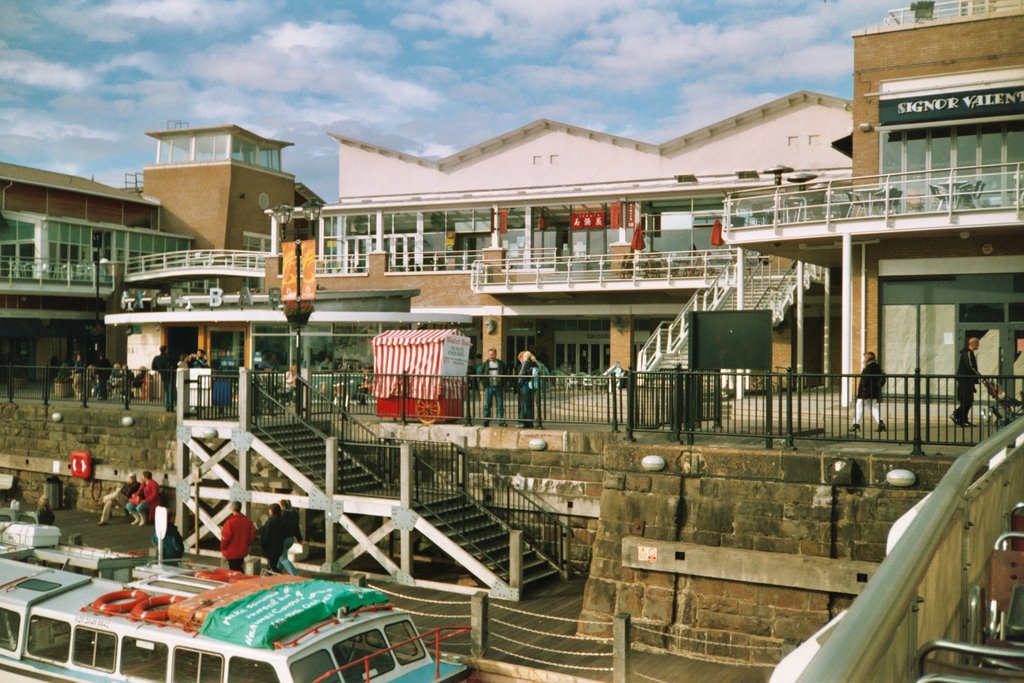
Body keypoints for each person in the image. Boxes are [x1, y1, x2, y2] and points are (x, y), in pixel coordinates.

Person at [851, 351, 886, 433]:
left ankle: (856, 424)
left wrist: (862, 390)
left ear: (869, 358)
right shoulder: (877, 366)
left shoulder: (869, 367)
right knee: (873, 407)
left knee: (859, 405)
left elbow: (865, 380)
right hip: (873, 391)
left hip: (866, 391)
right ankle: (881, 422)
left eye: (865, 357)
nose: (863, 359)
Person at [952, 337, 981, 427]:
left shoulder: (969, 352)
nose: (979, 346)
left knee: (968, 401)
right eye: (978, 344)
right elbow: (970, 366)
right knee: (967, 401)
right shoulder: (967, 352)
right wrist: (978, 375)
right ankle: (956, 414)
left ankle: (964, 420)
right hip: (965, 380)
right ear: (974, 344)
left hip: (968, 380)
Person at [221, 501, 256, 572]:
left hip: (231, 552)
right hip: (242, 551)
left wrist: (223, 548)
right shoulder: (248, 521)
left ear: (232, 509)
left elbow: (225, 538)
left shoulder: (229, 522)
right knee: (239, 567)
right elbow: (252, 537)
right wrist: (247, 545)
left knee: (233, 570)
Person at [478, 348, 507, 427]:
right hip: (488, 386)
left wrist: (503, 384)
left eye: (492, 354)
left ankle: (501, 420)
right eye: (490, 354)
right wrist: (484, 383)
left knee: (500, 405)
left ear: (496, 354)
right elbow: (480, 375)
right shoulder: (485, 364)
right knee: (487, 405)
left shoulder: (501, 363)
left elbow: (506, 374)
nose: (491, 356)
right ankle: (486, 421)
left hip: (499, 386)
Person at [277, 499, 303, 575]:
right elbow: (296, 528)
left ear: (281, 506)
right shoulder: (294, 514)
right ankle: (277, 571)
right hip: (291, 539)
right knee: (281, 556)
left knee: (283, 558)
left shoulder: (281, 515)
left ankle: (294, 574)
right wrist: (299, 538)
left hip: (282, 539)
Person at [260, 503, 288, 573]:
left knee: (272, 567)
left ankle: (277, 577)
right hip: (279, 546)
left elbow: (266, 535)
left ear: (272, 511)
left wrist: (263, 544)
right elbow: (284, 534)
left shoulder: (270, 522)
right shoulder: (283, 521)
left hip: (270, 548)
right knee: (274, 564)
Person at [517, 350, 539, 428]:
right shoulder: (532, 363)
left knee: (526, 404)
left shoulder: (528, 363)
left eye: (524, 357)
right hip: (525, 385)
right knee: (526, 404)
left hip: (526, 384)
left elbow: (523, 374)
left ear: (527, 357)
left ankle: (525, 422)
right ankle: (525, 422)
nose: (522, 358)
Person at [152, 345, 174, 412]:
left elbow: (153, 367)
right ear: (166, 350)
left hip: (163, 375)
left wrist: (159, 370)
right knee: (170, 392)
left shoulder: (156, 358)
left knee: (166, 391)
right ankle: (170, 406)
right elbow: (173, 365)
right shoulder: (168, 357)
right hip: (170, 375)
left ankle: (166, 407)